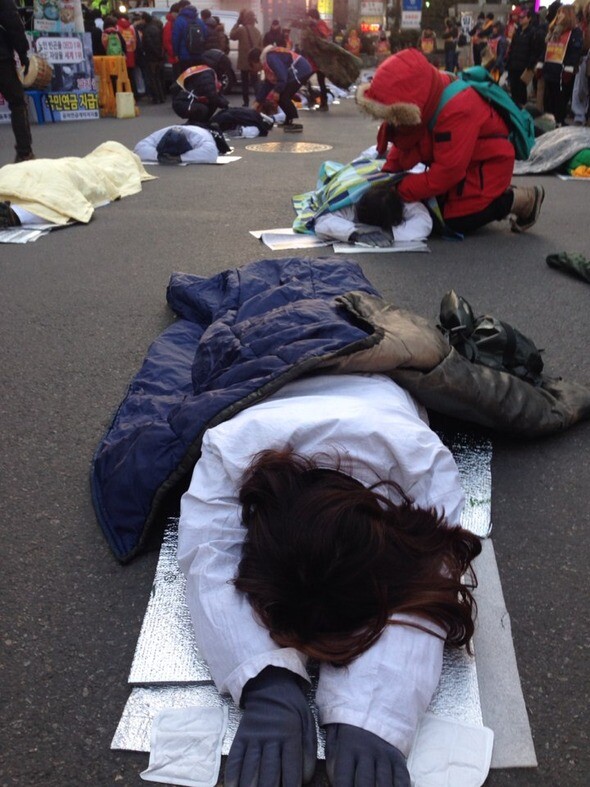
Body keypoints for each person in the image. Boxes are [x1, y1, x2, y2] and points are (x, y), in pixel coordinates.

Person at [356, 48, 546, 235]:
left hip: (490, 163)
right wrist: (387, 174)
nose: (391, 123)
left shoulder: (457, 109)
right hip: (467, 159)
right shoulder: (429, 94)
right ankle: (488, 198)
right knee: (429, 201)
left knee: (453, 219)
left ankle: (520, 200)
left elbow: (448, 172)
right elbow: (409, 142)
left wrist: (398, 189)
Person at [292, 157, 432, 245]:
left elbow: (424, 221)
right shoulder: (351, 202)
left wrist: (391, 233)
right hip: (355, 177)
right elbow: (322, 222)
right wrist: (355, 232)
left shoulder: (405, 200)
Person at [538, 3, 584, 126]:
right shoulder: (553, 31)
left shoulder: (575, 32)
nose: (558, 15)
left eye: (561, 13)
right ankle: (549, 123)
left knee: (560, 101)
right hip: (550, 70)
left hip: (562, 73)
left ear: (568, 15)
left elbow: (575, 52)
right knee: (548, 101)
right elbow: (546, 49)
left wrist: (568, 69)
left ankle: (559, 123)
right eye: (558, 13)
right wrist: (540, 64)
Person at [0, 0, 34, 163]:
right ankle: (24, 152)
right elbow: (13, 23)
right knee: (18, 103)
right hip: (1, 59)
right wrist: (22, 54)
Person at [248, 45, 312, 132]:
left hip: (301, 69)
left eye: (252, 66)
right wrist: (257, 102)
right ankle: (288, 121)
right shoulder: (266, 63)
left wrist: (277, 91)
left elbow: (282, 76)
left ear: (256, 61)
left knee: (283, 96)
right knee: (280, 96)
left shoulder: (270, 58)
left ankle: (295, 122)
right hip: (297, 71)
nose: (253, 69)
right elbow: (268, 84)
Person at [505, 10, 538, 108]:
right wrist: (508, 62)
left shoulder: (532, 32)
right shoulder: (517, 32)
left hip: (524, 66)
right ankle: (514, 108)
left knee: (522, 89)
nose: (520, 19)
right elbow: (512, 48)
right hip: (513, 65)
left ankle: (521, 109)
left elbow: (533, 50)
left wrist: (530, 65)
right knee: (513, 88)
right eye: (520, 17)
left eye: (523, 17)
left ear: (529, 18)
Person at [301, 8, 332, 111]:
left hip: (319, 59)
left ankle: (323, 103)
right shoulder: (311, 26)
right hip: (313, 59)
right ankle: (320, 101)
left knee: (317, 80)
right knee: (311, 79)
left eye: (309, 16)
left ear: (313, 16)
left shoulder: (320, 24)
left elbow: (324, 36)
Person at [230, 8, 262, 107]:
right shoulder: (257, 32)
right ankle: (259, 99)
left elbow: (232, 36)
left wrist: (237, 23)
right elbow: (260, 47)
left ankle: (246, 102)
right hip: (254, 61)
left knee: (245, 82)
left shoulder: (241, 29)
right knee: (255, 81)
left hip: (244, 61)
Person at [172, 1, 208, 76]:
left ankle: (187, 88)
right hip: (198, 55)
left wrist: (176, 54)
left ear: (181, 8)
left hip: (184, 56)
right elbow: (205, 35)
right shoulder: (199, 21)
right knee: (197, 78)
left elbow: (175, 38)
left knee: (186, 78)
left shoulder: (179, 20)